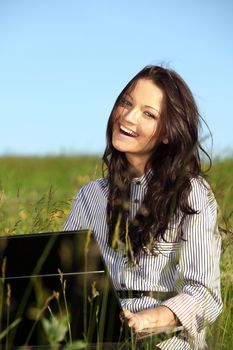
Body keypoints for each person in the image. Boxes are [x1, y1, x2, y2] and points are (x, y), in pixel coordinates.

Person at [64, 65, 222, 349]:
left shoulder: (191, 194)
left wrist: (146, 320)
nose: (127, 116)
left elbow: (205, 295)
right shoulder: (90, 197)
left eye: (148, 113)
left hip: (166, 339)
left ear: (167, 133)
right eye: (126, 102)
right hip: (97, 337)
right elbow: (64, 281)